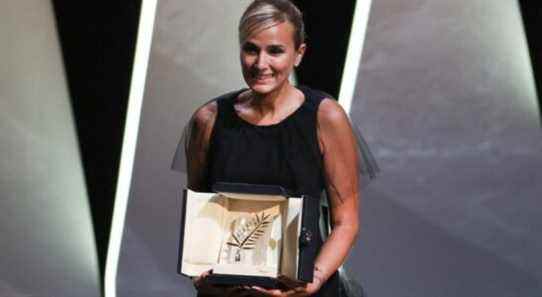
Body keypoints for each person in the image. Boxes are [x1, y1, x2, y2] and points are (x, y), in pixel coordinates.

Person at [174, 0, 378, 296]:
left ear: (299, 54)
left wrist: (314, 280)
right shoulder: (208, 120)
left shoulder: (325, 117)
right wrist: (199, 276)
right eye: (251, 49)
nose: (260, 64)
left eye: (275, 51)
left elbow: (346, 222)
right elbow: (200, 215)